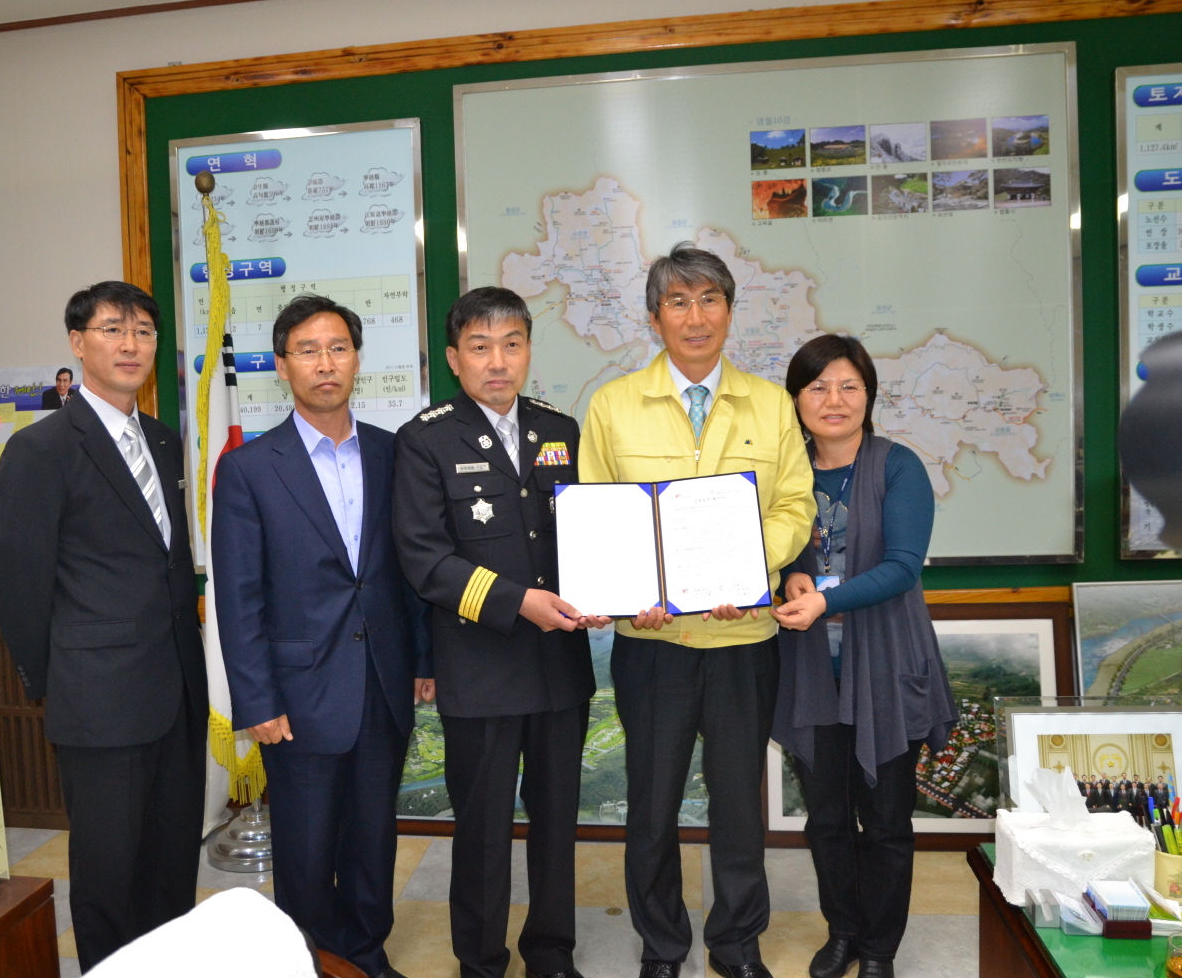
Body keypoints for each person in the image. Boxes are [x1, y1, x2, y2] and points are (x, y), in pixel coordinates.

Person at [578, 243, 815, 978]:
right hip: (654, 644)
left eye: (710, 299)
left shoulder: (771, 405)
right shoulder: (614, 405)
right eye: (678, 302)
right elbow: (598, 517)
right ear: (655, 319)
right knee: (651, 808)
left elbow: (795, 506)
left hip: (744, 637)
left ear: (730, 312)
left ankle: (736, 945)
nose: (695, 316)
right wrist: (629, 590)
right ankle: (662, 946)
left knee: (739, 806)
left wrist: (744, 565)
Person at [0, 281, 207, 973]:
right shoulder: (41, 448)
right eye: (113, 329)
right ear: (78, 343)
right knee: (110, 872)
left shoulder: (163, 441)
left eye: (143, 331)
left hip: (177, 687)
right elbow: (18, 581)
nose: (130, 344)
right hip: (98, 698)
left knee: (172, 860)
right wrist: (55, 682)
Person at [212, 294, 432, 978]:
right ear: (283, 367)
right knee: (306, 851)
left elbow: (412, 568)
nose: (325, 363)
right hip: (297, 695)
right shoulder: (249, 469)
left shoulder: (393, 452)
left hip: (383, 683)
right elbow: (238, 597)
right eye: (307, 351)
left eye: (338, 348)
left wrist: (423, 659)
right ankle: (309, 961)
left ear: (357, 360)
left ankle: (366, 956)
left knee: (373, 839)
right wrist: (256, 701)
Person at [392, 286, 607, 978]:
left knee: (556, 826)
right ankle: (481, 961)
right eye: (480, 347)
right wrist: (518, 603)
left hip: (559, 666)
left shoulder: (559, 430)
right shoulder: (425, 439)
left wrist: (604, 591)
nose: (497, 361)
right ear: (455, 358)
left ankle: (551, 953)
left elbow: (585, 538)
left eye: (512, 345)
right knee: (483, 831)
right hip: (479, 669)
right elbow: (424, 559)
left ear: (528, 351)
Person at [769, 334, 957, 978]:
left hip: (885, 668)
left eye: (849, 386)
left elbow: (903, 567)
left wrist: (826, 600)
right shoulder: (785, 469)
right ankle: (843, 932)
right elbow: (770, 547)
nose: (835, 399)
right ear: (796, 399)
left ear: (869, 395)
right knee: (826, 820)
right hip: (811, 673)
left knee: (885, 821)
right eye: (818, 386)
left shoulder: (897, 466)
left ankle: (880, 950)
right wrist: (789, 578)